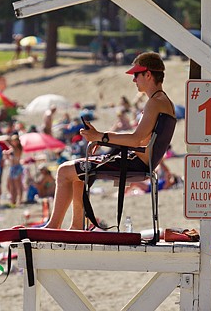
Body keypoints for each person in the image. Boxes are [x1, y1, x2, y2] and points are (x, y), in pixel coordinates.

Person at [46, 51, 175, 230]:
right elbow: (143, 138)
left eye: (136, 75)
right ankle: (76, 226)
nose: (133, 80)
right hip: (139, 161)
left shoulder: (155, 102)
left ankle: (53, 226)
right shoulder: (163, 101)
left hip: (134, 162)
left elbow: (137, 139)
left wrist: (100, 136)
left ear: (148, 74)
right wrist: (103, 139)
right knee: (76, 173)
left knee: (64, 170)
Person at [5, 133, 24, 206]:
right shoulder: (13, 149)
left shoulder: (18, 148)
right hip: (12, 167)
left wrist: (7, 140)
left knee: (17, 184)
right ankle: (14, 199)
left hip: (16, 167)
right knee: (10, 184)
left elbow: (10, 145)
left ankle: (19, 199)